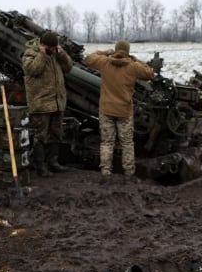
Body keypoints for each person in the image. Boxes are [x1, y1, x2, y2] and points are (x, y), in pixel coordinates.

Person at [84, 40, 154, 184]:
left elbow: (88, 58)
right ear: (127, 51)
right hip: (124, 111)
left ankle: (106, 174)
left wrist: (104, 52)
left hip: (106, 109)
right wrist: (135, 59)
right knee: (127, 143)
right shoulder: (133, 66)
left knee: (107, 143)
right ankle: (129, 175)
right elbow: (149, 73)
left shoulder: (104, 62)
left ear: (115, 50)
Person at [22, 31, 73, 177]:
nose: (53, 49)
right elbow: (33, 70)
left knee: (56, 134)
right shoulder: (30, 54)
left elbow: (68, 67)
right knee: (41, 136)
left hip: (56, 102)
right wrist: (42, 54)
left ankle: (53, 162)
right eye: (51, 47)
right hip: (41, 103)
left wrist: (61, 52)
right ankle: (40, 167)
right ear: (43, 45)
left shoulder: (55, 54)